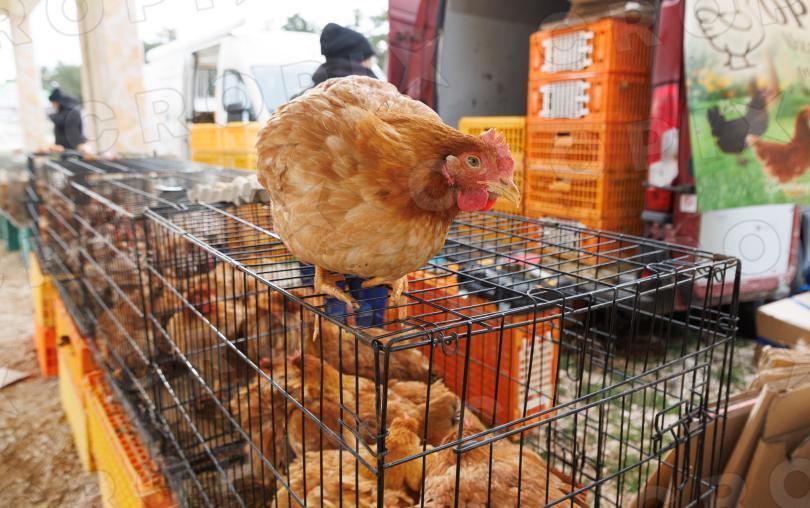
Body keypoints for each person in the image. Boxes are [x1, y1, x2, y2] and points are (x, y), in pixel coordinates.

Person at [312, 23, 377, 85]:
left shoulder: (312, 90)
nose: (372, 63)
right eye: (369, 58)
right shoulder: (370, 90)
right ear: (358, 59)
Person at [46, 88, 91, 155]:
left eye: (53, 103)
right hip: (64, 148)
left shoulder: (71, 111)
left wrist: (50, 116)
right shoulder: (63, 110)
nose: (52, 105)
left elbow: (62, 121)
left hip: (72, 148)